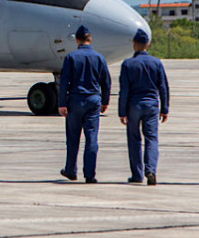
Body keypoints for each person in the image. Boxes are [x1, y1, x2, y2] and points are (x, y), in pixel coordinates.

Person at [58, 25, 111, 183]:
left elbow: (64, 82)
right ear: (90, 39)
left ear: (77, 40)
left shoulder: (71, 57)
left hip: (75, 100)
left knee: (73, 138)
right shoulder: (99, 57)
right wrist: (105, 101)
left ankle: (71, 171)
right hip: (93, 100)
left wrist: (62, 103)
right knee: (92, 138)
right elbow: (106, 82)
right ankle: (90, 174)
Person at [118, 28, 170, 185]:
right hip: (152, 105)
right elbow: (163, 87)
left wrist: (122, 111)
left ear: (134, 45)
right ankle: (151, 169)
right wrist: (165, 108)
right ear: (147, 44)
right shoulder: (156, 63)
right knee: (151, 138)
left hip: (134, 105)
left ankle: (137, 174)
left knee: (134, 140)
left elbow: (124, 90)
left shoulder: (128, 64)